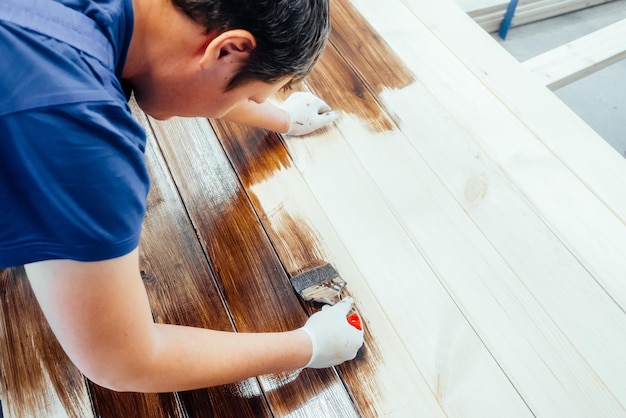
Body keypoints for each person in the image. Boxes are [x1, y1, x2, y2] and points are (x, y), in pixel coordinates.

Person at [0, 0, 364, 393]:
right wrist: (308, 345)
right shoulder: (84, 139)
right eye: (256, 96)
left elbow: (181, 67)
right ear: (227, 50)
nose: (252, 104)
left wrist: (281, 118)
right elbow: (126, 362)